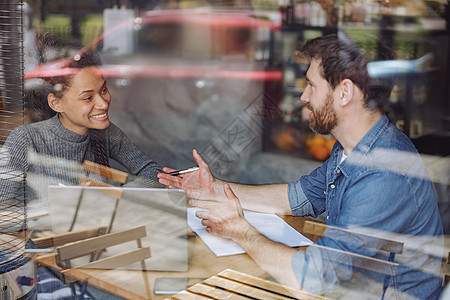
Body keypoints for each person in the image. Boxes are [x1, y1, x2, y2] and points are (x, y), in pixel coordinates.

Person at [158, 34, 444, 299]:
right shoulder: (354, 148)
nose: (304, 97)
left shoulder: (382, 174)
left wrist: (238, 229)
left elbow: (312, 277)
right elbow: (296, 197)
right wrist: (215, 190)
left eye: (312, 84)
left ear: (344, 93)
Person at [0, 51, 162, 233]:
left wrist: (110, 196)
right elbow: (4, 218)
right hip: (48, 253)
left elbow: (154, 173)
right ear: (56, 104)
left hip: (99, 244)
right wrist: (61, 210)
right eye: (88, 97)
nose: (103, 103)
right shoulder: (26, 139)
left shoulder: (104, 132)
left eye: (103, 90)